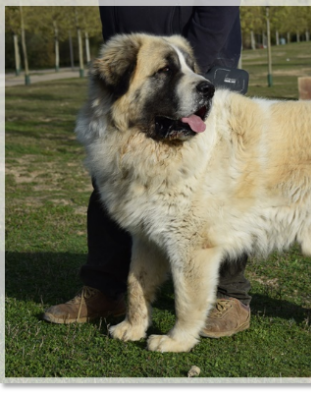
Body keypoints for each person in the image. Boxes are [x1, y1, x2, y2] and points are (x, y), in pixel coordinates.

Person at [43, 6, 252, 339]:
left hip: (199, 52)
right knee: (112, 181)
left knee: (215, 183)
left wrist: (184, 63)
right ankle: (103, 288)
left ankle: (229, 294)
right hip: (135, 59)